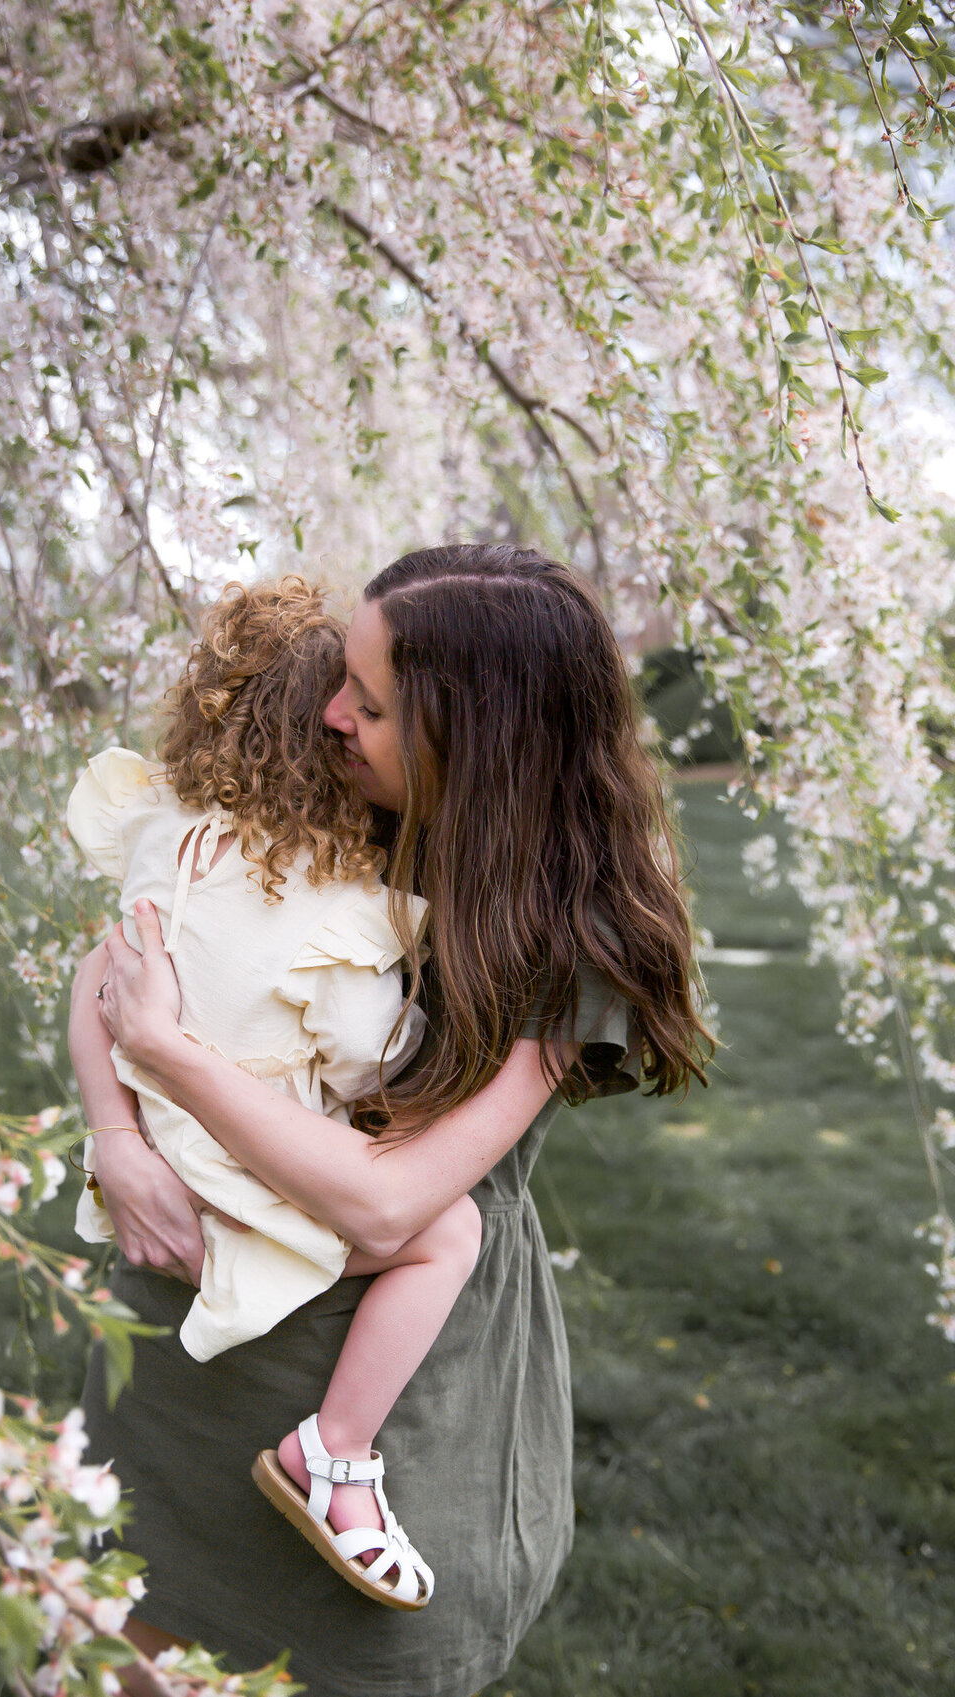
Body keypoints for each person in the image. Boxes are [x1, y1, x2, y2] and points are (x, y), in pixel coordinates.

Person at [69, 543, 712, 1697]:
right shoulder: (340, 797)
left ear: (478, 741)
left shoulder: (574, 932)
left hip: (391, 1394)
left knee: (364, 1667)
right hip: (192, 1347)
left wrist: (167, 1051)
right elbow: (118, 954)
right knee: (123, 1646)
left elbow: (391, 1200)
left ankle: (334, 1469)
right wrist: (117, 1135)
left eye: (368, 703)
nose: (327, 714)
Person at [67, 578, 482, 1609]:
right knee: (450, 1232)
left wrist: (113, 1129)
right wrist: (414, 1029)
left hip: (164, 1136)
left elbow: (101, 970)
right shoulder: (338, 901)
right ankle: (334, 1449)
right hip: (245, 1164)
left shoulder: (162, 828)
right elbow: (360, 1055)